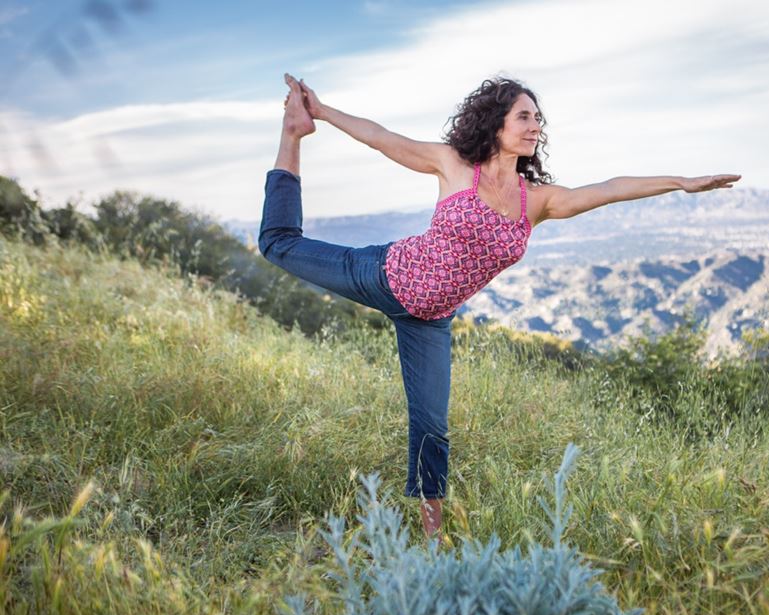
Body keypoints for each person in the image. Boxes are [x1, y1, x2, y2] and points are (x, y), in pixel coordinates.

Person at [259, 72, 740, 543]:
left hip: (431, 319)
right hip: (385, 275)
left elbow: (611, 188)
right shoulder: (452, 165)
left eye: (537, 119)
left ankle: (432, 535)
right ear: (496, 124)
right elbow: (382, 137)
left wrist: (680, 182)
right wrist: (319, 111)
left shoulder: (539, 201)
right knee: (278, 243)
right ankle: (292, 136)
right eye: (524, 116)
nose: (535, 127)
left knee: (431, 426)